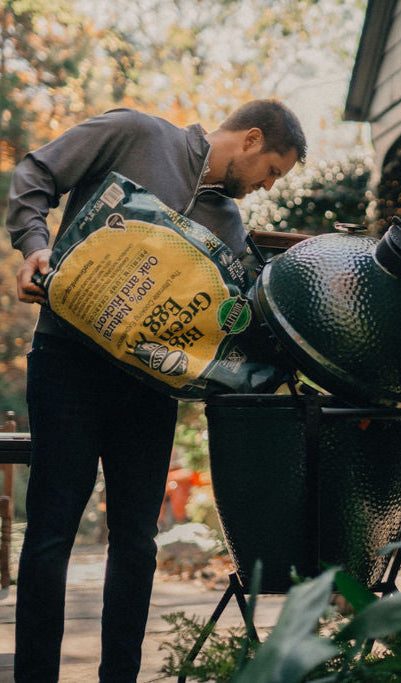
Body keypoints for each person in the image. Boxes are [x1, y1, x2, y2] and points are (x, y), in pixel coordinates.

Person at [5, 100, 306, 682]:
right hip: (67, 361)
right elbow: (35, 173)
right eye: (272, 170)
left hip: (148, 387)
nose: (267, 185)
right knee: (51, 532)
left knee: (138, 541)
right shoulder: (134, 132)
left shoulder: (228, 226)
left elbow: (225, 325)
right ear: (250, 139)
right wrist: (33, 244)